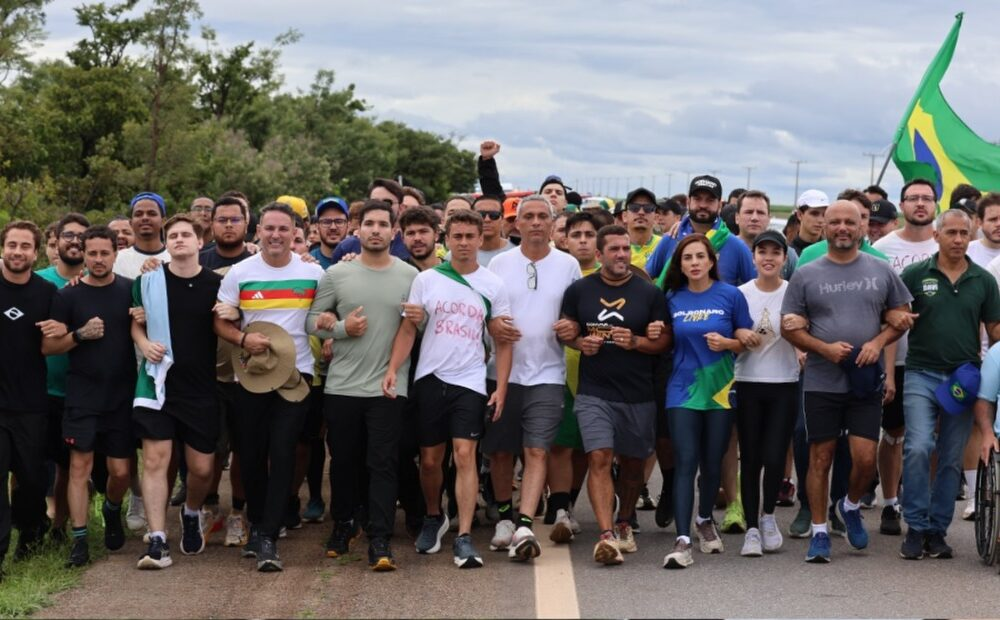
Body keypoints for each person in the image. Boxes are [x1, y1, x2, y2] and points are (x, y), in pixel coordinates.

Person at [781, 200, 911, 564]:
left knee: (866, 459)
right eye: (834, 221)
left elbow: (900, 316)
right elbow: (788, 327)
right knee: (819, 458)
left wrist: (876, 342)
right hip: (821, 380)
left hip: (864, 382)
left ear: (861, 228)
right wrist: (822, 348)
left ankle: (851, 504)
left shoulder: (881, 269)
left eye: (849, 222)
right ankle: (820, 532)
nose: (841, 227)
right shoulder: (807, 273)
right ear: (824, 227)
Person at [382, 209, 512, 569]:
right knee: (430, 460)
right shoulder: (428, 280)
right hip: (429, 379)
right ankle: (432, 515)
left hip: (469, 380)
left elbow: (502, 340)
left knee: (465, 455)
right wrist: (394, 369)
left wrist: (500, 387)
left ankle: (465, 536)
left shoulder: (492, 284)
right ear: (447, 239)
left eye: (471, 237)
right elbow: (409, 329)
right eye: (458, 237)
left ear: (480, 239)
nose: (465, 243)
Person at [307, 199, 418, 571]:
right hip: (341, 386)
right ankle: (343, 525)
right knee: (343, 463)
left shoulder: (409, 275)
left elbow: (414, 327)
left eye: (382, 224)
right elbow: (311, 321)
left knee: (383, 463)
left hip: (389, 386)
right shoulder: (337, 274)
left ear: (393, 231)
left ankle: (381, 536)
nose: (375, 230)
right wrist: (340, 329)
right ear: (358, 230)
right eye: (368, 223)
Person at [214, 202, 324, 572]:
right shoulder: (240, 274)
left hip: (297, 376)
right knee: (251, 452)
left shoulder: (313, 275)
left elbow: (326, 317)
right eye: (269, 228)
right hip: (252, 374)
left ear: (296, 233)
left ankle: (268, 537)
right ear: (257, 231)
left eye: (284, 229)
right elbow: (221, 323)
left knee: (284, 451)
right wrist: (243, 340)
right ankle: (259, 523)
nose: (276, 235)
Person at [560, 225, 670, 565]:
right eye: (614, 249)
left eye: (625, 249)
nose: (622, 254)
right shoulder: (579, 290)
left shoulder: (649, 293)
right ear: (599, 254)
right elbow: (568, 330)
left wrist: (637, 342)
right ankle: (606, 533)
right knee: (600, 457)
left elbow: (664, 342)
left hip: (638, 393)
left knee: (634, 465)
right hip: (595, 391)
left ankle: (624, 520)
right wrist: (579, 342)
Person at [897, 208, 1000, 559]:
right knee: (918, 447)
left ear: (970, 236)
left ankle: (937, 531)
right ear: (937, 235)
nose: (958, 240)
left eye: (963, 233)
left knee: (951, 459)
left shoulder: (984, 281)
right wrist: (893, 315)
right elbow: (892, 312)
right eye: (951, 233)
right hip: (921, 373)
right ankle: (914, 525)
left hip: (963, 378)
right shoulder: (914, 274)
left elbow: (995, 331)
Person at [483, 195, 581, 561]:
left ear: (554, 223)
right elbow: (487, 312)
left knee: (537, 448)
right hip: (502, 373)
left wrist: (573, 325)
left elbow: (575, 314)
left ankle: (525, 523)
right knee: (501, 451)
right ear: (517, 224)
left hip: (549, 372)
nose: (537, 222)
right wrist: (492, 324)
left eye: (543, 216)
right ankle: (505, 518)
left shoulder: (568, 264)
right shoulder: (499, 263)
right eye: (529, 217)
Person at [131, 214, 222, 569]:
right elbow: (133, 325)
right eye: (173, 235)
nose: (180, 239)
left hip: (200, 388)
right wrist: (144, 342)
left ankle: (191, 511)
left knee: (201, 469)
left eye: (187, 234)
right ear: (166, 242)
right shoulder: (149, 280)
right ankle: (156, 541)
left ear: (201, 242)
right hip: (156, 382)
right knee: (155, 460)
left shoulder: (217, 284)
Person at [45, 225, 138, 568]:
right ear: (83, 254)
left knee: (121, 472)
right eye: (92, 253)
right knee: (78, 467)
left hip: (121, 395)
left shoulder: (130, 291)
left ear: (116, 253)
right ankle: (79, 540)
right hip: (82, 394)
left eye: (105, 253)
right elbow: (48, 345)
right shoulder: (68, 296)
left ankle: (112, 510)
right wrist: (79, 335)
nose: (98, 259)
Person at [661, 234, 753, 569]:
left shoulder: (731, 295)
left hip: (720, 390)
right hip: (682, 390)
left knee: (713, 462)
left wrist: (728, 343)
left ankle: (704, 519)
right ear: (680, 265)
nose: (695, 263)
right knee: (685, 460)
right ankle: (682, 539)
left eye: (700, 257)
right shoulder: (671, 298)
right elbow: (663, 340)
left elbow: (746, 341)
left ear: (712, 261)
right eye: (688, 258)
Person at [872, 179, 940, 534]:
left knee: (930, 439)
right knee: (895, 433)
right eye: (912, 198)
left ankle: (925, 501)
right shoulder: (883, 248)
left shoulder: (948, 243)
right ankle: (889, 502)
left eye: (926, 198)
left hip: (937, 359)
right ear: (900, 204)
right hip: (895, 357)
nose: (919, 204)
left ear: (935, 205)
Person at [734, 230, 800, 557]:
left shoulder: (794, 292)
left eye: (776, 252)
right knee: (752, 457)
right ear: (754, 257)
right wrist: (739, 333)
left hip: (784, 383)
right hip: (747, 381)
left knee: (775, 456)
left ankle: (769, 517)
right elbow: (729, 329)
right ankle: (750, 529)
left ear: (784, 258)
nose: (769, 258)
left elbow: (806, 329)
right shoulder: (739, 294)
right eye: (763, 252)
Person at [0, 220, 60, 576]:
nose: (17, 252)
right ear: (3, 248)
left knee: (33, 480)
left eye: (25, 247)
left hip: (32, 403)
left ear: (35, 253)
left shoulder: (46, 293)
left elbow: (55, 338)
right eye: (12, 245)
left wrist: (63, 329)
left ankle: (31, 534)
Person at [35, 213, 90, 541]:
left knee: (69, 465)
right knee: (27, 463)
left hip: (79, 390)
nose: (74, 241)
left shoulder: (97, 281)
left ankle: (58, 527)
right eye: (68, 235)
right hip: (36, 387)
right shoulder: (38, 280)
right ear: (56, 238)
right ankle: (30, 522)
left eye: (81, 237)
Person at [645, 175, 755, 287]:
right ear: (688, 202)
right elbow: (645, 279)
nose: (703, 205)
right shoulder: (671, 239)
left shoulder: (735, 245)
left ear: (720, 205)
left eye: (710, 200)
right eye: (697, 199)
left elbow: (758, 286)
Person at [330, 179, 410, 263]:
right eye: (374, 201)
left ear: (401, 208)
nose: (380, 206)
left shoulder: (411, 245)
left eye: (387, 202)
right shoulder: (347, 247)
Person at [734, 190, 798, 279]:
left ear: (769, 218)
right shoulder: (723, 251)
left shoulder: (789, 255)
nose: (754, 218)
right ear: (737, 217)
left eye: (760, 213)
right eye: (748, 212)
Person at [114, 192, 169, 279]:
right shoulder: (116, 260)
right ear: (131, 223)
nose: (145, 218)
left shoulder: (175, 258)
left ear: (163, 221)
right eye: (138, 214)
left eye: (151, 213)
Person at [622, 188, 661, 273]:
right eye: (634, 207)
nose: (641, 212)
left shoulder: (663, 245)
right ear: (624, 216)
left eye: (648, 208)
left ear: (656, 218)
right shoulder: (615, 247)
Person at [309, 197, 350, 270]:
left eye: (339, 221)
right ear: (317, 226)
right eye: (326, 222)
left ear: (348, 225)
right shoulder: (308, 262)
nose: (333, 227)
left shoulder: (358, 260)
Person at [789, 190, 828, 255]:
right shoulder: (787, 254)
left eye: (824, 215)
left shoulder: (833, 253)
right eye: (814, 214)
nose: (821, 220)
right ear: (800, 215)